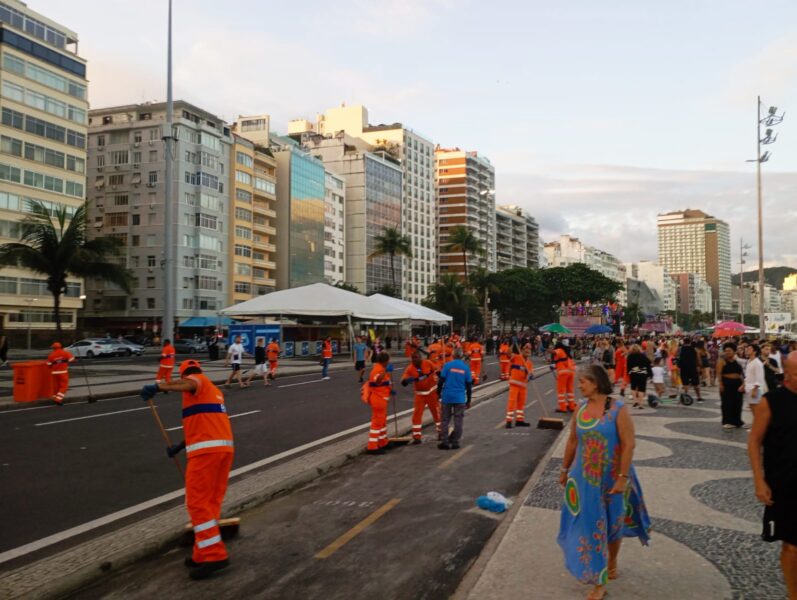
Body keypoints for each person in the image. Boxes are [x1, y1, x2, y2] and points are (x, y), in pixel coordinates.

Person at [558, 365, 651, 600]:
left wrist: (622, 478)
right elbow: (572, 441)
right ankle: (599, 581)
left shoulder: (618, 409)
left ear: (596, 383)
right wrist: (564, 469)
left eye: (583, 381)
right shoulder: (580, 408)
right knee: (592, 525)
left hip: (613, 477)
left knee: (613, 524)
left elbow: (629, 444)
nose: (579, 385)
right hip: (585, 480)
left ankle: (612, 561)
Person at [140, 359, 234, 580]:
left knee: (197, 503)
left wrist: (158, 387)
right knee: (210, 504)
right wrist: (181, 446)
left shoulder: (197, 382)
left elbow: (190, 383)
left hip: (206, 454)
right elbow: (204, 425)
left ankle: (215, 555)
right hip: (223, 450)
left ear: (183, 375)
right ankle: (201, 554)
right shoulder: (213, 392)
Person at [748, 353, 797, 599]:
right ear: (786, 374)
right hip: (785, 484)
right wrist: (759, 480)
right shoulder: (771, 402)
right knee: (792, 546)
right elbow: (754, 442)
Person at [437, 347, 473, 450]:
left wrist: (438, 393)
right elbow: (469, 386)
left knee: (445, 419)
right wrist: (468, 400)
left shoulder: (447, 365)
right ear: (461, 356)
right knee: (458, 420)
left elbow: (441, 381)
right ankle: (455, 442)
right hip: (460, 398)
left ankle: (445, 442)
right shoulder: (465, 368)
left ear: (452, 355)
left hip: (447, 396)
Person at [401, 351, 441, 444]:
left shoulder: (428, 363)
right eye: (413, 358)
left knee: (437, 413)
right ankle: (417, 436)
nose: (414, 360)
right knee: (417, 415)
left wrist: (443, 380)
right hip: (420, 395)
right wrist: (406, 381)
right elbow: (403, 381)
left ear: (420, 358)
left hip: (432, 393)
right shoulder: (410, 368)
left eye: (416, 358)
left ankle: (441, 432)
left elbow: (437, 371)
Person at [363, 352, 392, 454]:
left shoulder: (380, 368)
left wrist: (390, 389)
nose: (389, 362)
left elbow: (384, 382)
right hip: (378, 399)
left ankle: (383, 442)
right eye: (388, 361)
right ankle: (372, 447)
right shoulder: (378, 369)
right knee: (377, 423)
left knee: (382, 422)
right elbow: (378, 381)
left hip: (381, 398)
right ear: (384, 361)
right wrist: (386, 371)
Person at [717, 342, 747, 430]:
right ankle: (727, 421)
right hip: (727, 383)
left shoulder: (737, 362)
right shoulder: (722, 361)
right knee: (727, 403)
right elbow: (719, 373)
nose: (727, 352)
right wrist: (721, 384)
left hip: (737, 384)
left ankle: (737, 421)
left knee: (738, 403)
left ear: (734, 351)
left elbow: (741, 374)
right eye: (726, 351)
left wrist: (743, 384)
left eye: (729, 351)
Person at [506, 343, 534, 428]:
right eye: (526, 348)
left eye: (529, 349)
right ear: (521, 350)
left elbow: (531, 373)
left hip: (523, 386)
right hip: (514, 385)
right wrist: (514, 343)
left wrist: (530, 376)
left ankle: (519, 420)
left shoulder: (529, 363)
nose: (527, 350)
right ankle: (509, 421)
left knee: (521, 404)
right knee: (512, 402)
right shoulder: (516, 357)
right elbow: (508, 353)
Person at [744, 344, 768, 418]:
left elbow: (759, 378)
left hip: (754, 389)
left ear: (755, 352)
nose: (747, 350)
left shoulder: (757, 363)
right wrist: (743, 385)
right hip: (748, 388)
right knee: (752, 408)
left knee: (756, 410)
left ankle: (759, 424)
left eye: (749, 349)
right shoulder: (749, 361)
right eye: (747, 348)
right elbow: (748, 375)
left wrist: (755, 390)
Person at [552, 341, 576, 413]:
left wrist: (548, 350)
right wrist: (555, 366)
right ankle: (571, 406)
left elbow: (554, 352)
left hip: (563, 373)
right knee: (570, 390)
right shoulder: (567, 353)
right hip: (571, 372)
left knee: (561, 390)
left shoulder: (560, 350)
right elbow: (562, 361)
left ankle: (563, 408)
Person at [626, 344, 652, 409]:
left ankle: (636, 400)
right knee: (641, 389)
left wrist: (628, 372)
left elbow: (628, 366)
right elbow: (649, 363)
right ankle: (641, 404)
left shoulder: (629, 356)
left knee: (633, 388)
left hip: (634, 373)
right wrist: (649, 373)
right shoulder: (642, 356)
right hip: (642, 374)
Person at [677, 337, 702, 402]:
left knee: (685, 384)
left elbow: (678, 358)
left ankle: (685, 397)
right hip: (693, 368)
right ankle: (699, 397)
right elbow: (698, 359)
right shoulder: (694, 349)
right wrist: (699, 367)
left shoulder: (680, 349)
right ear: (690, 342)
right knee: (696, 384)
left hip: (683, 368)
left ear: (683, 342)